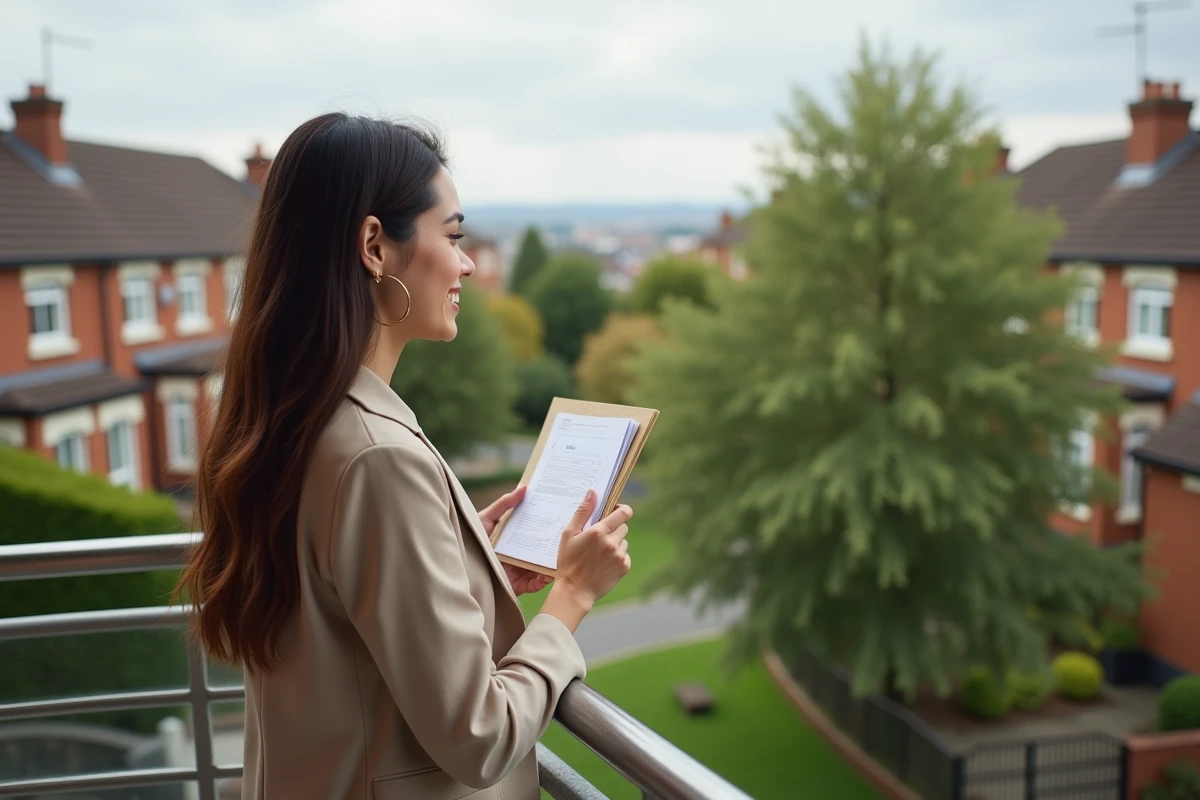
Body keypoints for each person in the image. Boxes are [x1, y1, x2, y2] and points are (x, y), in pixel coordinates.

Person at [177, 113, 633, 799]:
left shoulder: (291, 419)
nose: (468, 262)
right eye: (451, 235)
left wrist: (467, 563)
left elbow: (340, 631)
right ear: (374, 245)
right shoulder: (373, 456)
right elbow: (479, 737)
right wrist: (571, 594)